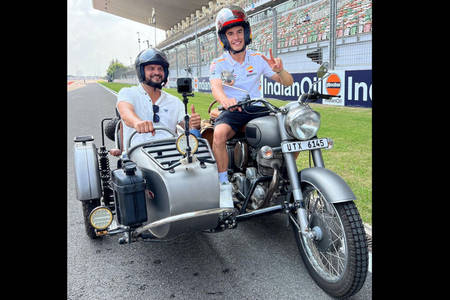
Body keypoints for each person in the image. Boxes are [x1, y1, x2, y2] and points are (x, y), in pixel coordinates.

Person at [209, 5, 294, 207]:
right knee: (219, 134)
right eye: (230, 33)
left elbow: (287, 82)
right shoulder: (219, 63)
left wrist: (280, 71)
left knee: (290, 130)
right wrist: (225, 100)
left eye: (239, 31)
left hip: (257, 108)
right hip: (234, 110)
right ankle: (223, 186)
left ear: (246, 33)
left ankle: (283, 175)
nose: (236, 37)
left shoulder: (258, 59)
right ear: (224, 38)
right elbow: (216, 88)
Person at [116, 48, 201, 152]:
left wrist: (193, 123)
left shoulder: (174, 101)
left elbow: (186, 125)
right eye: (151, 68)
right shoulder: (128, 93)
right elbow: (125, 113)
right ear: (141, 71)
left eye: (160, 69)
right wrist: (137, 122)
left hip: (170, 155)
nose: (157, 72)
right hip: (137, 155)